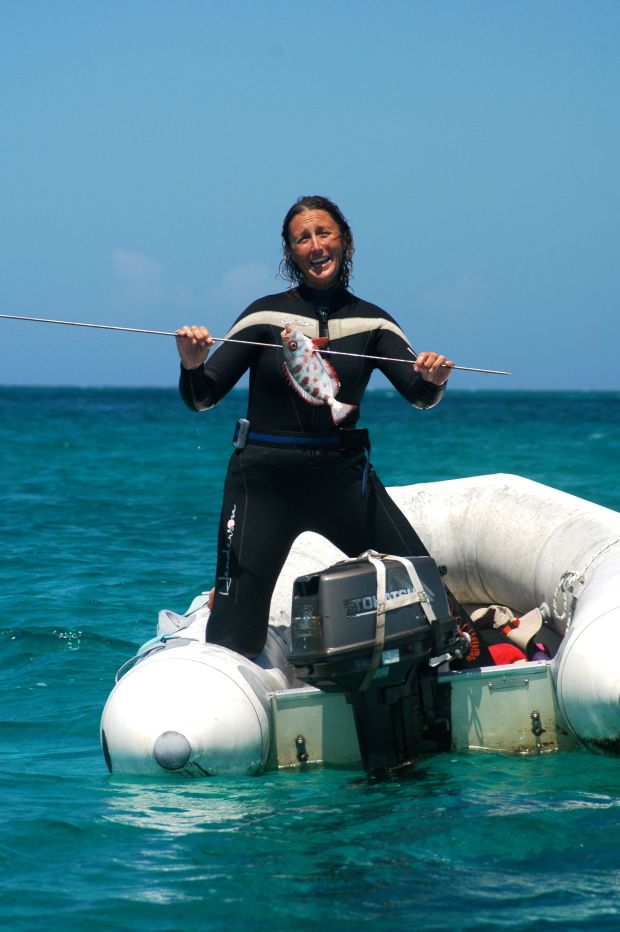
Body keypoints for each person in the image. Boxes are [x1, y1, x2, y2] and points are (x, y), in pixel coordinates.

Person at [176, 195, 454, 659]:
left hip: (343, 478)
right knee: (234, 636)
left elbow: (419, 395)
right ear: (290, 253)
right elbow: (202, 397)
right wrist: (191, 365)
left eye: (323, 233)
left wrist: (435, 379)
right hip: (262, 481)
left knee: (425, 590)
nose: (315, 245)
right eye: (302, 238)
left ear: (344, 241)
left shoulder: (374, 321)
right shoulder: (264, 315)